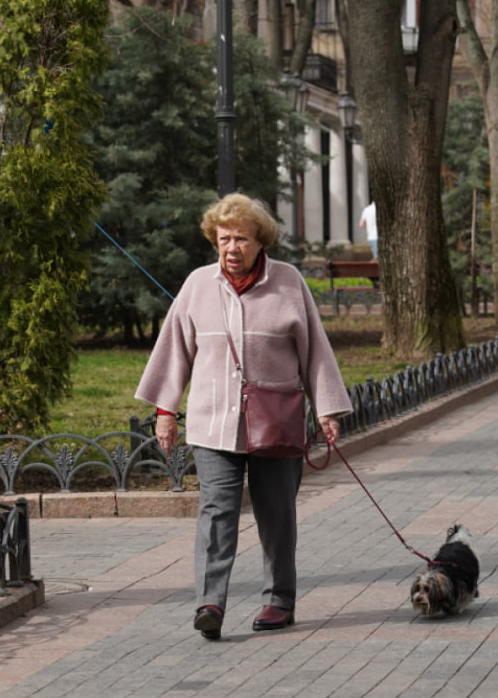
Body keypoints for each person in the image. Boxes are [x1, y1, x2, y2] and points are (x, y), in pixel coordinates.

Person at [135, 193, 352, 641]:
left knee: (277, 514)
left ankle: (279, 601)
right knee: (217, 512)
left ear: (260, 242)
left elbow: (316, 352)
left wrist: (327, 408)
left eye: (241, 239)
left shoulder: (289, 283)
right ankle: (210, 601)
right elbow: (174, 351)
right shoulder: (198, 285)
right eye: (223, 239)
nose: (231, 248)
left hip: (276, 421)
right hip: (214, 424)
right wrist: (165, 412)